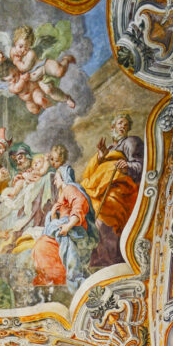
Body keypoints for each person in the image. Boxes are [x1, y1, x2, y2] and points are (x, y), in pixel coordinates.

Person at [32, 146, 98, 294]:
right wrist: (54, 215)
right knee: (41, 246)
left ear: (61, 177)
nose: (54, 182)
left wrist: (68, 226)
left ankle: (71, 280)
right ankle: (56, 278)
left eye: (56, 179)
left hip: (72, 231)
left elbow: (79, 204)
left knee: (51, 249)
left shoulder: (69, 188)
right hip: (63, 230)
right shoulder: (63, 195)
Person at [82, 112, 144, 266]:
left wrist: (127, 166)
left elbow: (141, 165)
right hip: (101, 187)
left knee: (105, 216)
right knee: (89, 215)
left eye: (126, 125)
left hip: (120, 189)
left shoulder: (131, 142)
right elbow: (92, 172)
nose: (123, 126)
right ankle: (97, 257)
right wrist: (101, 156)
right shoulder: (110, 148)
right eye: (120, 123)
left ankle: (110, 258)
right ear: (112, 127)